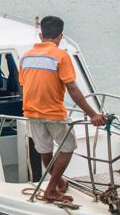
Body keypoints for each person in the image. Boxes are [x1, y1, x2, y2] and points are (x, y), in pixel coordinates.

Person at [20, 16, 106, 204]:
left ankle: (57, 182)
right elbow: (72, 89)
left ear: (41, 35)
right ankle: (51, 189)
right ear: (60, 36)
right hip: (53, 113)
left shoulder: (26, 56)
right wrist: (93, 114)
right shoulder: (61, 56)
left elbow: (24, 84)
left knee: (45, 150)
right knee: (68, 147)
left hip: (31, 112)